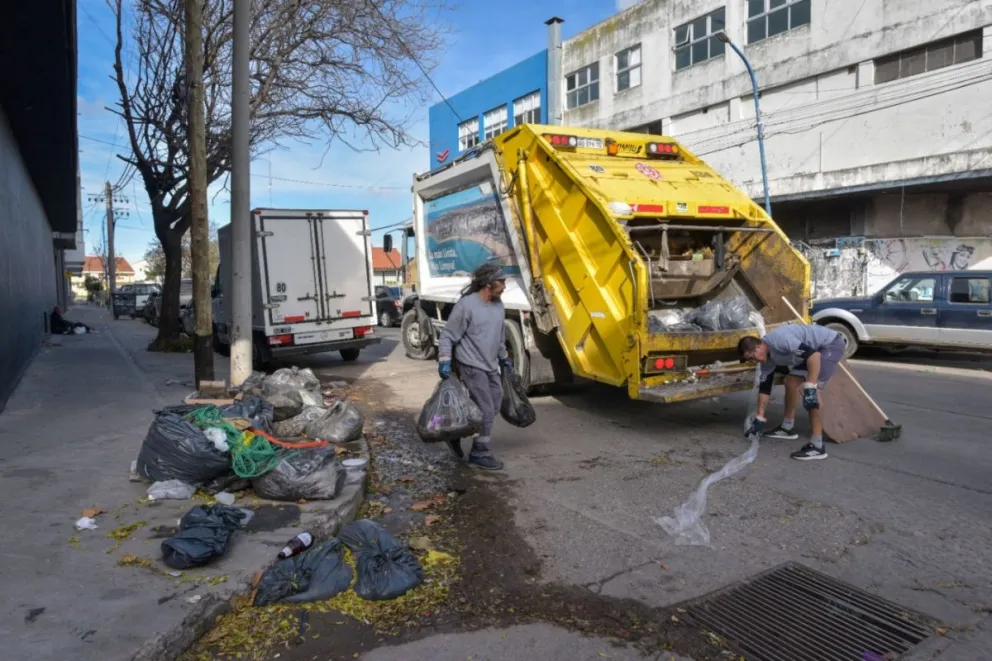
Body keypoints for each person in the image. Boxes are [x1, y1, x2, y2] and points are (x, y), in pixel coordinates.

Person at [437, 263, 513, 471]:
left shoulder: (498, 305)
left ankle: (456, 432)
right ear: (488, 283)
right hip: (470, 364)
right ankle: (479, 452)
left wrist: (504, 358)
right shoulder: (467, 305)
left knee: (494, 404)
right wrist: (444, 360)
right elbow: (448, 335)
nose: (505, 285)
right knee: (486, 409)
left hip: (490, 364)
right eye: (501, 281)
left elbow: (499, 336)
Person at [738, 323, 847, 461]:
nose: (755, 361)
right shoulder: (766, 359)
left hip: (829, 345)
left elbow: (814, 356)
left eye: (753, 357)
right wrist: (760, 417)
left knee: (811, 394)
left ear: (758, 346)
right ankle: (787, 427)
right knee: (791, 382)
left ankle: (817, 446)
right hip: (811, 352)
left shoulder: (780, 340)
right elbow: (765, 389)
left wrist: (810, 385)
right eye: (751, 360)